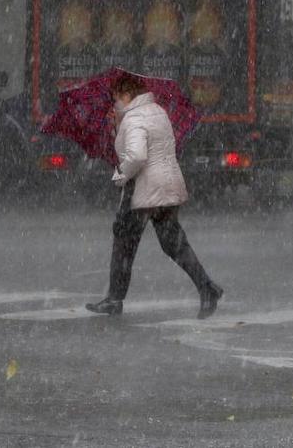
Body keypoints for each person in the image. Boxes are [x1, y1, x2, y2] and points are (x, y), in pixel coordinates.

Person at [85, 73, 223, 319]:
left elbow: (136, 156)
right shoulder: (158, 111)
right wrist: (119, 124)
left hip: (142, 187)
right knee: (174, 243)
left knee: (124, 244)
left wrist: (120, 175)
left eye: (116, 98)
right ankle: (207, 287)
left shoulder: (134, 118)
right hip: (167, 184)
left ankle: (114, 299)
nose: (114, 103)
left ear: (127, 95)